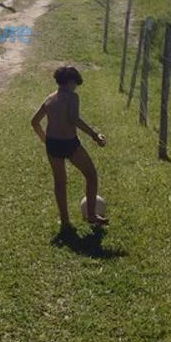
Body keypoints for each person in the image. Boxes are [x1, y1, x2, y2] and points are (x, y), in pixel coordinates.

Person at [30, 65, 108, 232]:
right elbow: (74, 119)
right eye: (75, 83)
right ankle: (92, 215)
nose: (75, 86)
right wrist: (95, 135)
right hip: (69, 143)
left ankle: (65, 221)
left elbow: (34, 122)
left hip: (53, 144)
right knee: (91, 175)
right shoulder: (72, 97)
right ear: (71, 81)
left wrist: (45, 140)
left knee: (60, 182)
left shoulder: (49, 98)